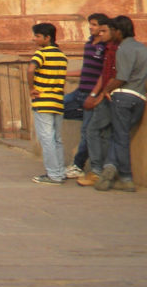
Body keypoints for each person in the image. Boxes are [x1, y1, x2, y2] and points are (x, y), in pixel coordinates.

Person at [91, 15, 147, 192]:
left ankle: (125, 177)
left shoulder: (123, 49)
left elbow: (121, 77)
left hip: (123, 96)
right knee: (121, 135)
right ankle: (110, 165)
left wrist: (106, 90)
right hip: (139, 97)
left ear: (119, 31)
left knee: (120, 136)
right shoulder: (142, 48)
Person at [63, 13, 108, 179]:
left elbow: (104, 73)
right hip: (79, 91)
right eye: (91, 24)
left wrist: (95, 94)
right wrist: (64, 74)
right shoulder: (89, 44)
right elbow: (86, 69)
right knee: (55, 108)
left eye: (95, 24)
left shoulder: (105, 47)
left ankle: (78, 165)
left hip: (91, 93)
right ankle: (84, 115)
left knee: (86, 131)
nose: (91, 27)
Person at [79, 18, 120, 187]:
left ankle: (96, 170)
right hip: (104, 94)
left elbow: (115, 75)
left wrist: (100, 94)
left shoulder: (115, 50)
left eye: (103, 31)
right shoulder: (108, 49)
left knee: (93, 130)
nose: (99, 34)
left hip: (111, 96)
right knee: (103, 133)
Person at [28, 22, 68, 184]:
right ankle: (59, 171)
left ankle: (53, 174)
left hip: (43, 100)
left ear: (47, 38)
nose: (35, 39)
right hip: (57, 100)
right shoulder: (62, 56)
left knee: (47, 138)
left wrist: (31, 88)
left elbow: (31, 70)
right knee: (57, 138)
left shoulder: (41, 54)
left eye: (38, 36)